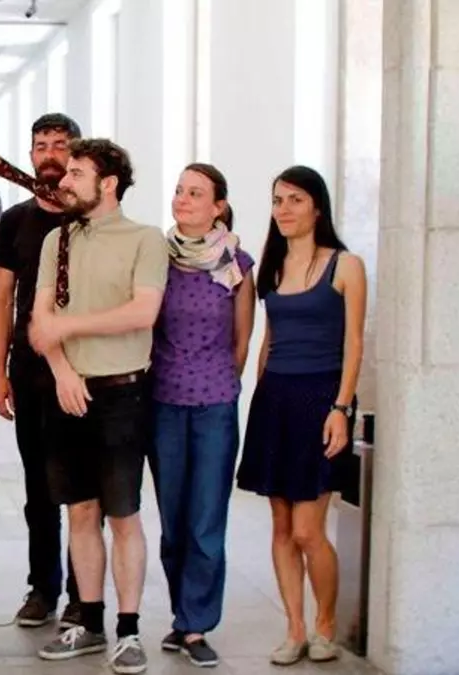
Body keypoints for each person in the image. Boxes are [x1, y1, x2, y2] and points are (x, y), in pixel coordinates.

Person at [27, 138, 167, 674]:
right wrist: (63, 371)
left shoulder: (145, 239)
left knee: (124, 516)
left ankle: (129, 632)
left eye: (76, 174)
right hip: (66, 391)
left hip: (122, 395)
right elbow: (41, 322)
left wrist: (68, 327)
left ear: (107, 184)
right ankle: (89, 622)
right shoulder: (56, 240)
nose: (63, 182)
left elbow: (142, 312)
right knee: (80, 512)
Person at [235, 165, 366, 666]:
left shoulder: (346, 265)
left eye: (295, 199)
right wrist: (258, 397)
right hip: (276, 400)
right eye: (277, 200)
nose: (284, 209)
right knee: (282, 527)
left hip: (322, 399)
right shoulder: (272, 267)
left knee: (309, 530)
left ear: (317, 207)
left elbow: (354, 344)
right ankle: (294, 629)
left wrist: (341, 409)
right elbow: (268, 341)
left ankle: (325, 625)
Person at [149, 164, 255, 668]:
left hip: (215, 405)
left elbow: (242, 341)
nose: (183, 199)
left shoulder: (237, 263)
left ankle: (196, 625)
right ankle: (181, 613)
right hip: (164, 402)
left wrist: (220, 385)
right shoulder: (157, 258)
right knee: (174, 520)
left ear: (218, 207)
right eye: (179, 191)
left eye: (195, 193)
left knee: (206, 520)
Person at [0, 112, 85, 628]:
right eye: (41, 145)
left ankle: (82, 594)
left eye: (60, 144)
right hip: (29, 370)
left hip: (85, 368)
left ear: (76, 153)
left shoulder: (89, 217)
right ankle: (43, 589)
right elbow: (2, 298)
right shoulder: (15, 221)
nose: (49, 154)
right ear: (30, 156)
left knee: (81, 487)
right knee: (38, 486)